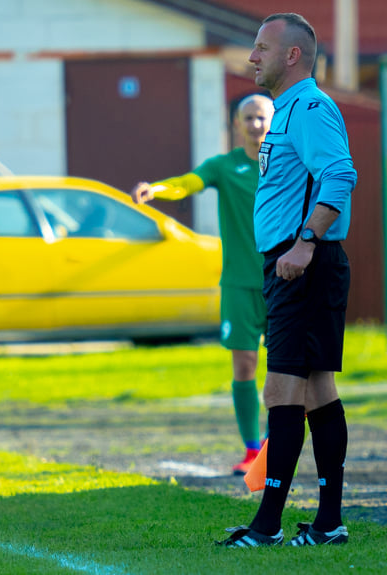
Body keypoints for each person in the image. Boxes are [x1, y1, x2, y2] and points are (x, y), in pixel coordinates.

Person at [217, 12, 357, 547]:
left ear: (291, 55)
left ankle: (268, 524)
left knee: (282, 387)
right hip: (295, 263)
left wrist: (305, 242)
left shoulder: (311, 108)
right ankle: (327, 522)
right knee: (317, 388)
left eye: (261, 48)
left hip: (303, 263)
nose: (252, 57)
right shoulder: (287, 111)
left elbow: (340, 173)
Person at [131, 94, 274, 475]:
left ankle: (278, 444)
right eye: (249, 118)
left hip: (282, 281)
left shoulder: (288, 165)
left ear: (273, 121)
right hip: (239, 285)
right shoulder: (223, 167)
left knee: (285, 369)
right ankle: (251, 449)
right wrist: (156, 190)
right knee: (244, 364)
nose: (256, 124)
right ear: (236, 124)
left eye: (262, 117)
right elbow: (187, 183)